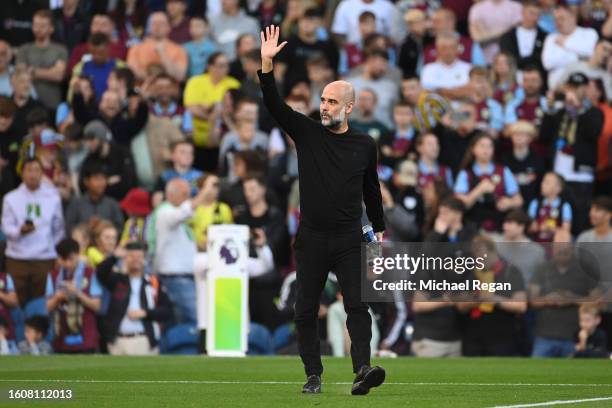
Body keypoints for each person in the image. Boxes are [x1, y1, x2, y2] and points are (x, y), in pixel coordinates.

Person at [258, 25, 386, 395]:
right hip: (311, 237)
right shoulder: (307, 132)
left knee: (357, 308)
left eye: (332, 102)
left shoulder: (364, 144)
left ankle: (362, 369)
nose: (324, 106)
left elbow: (371, 189)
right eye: (323, 100)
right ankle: (313, 375)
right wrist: (266, 65)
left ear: (349, 107)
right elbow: (275, 105)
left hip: (348, 238)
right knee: (304, 311)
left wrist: (378, 227)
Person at [1, 158, 65, 307]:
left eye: (37, 170)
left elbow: (59, 228)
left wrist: (53, 249)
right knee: (16, 304)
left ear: (42, 173)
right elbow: (6, 226)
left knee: (43, 303)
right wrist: (19, 231)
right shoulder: (11, 198)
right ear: (22, 173)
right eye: (29, 170)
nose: (33, 174)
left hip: (44, 258)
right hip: (17, 258)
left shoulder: (53, 197)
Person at [149, 178, 209, 324]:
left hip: (184, 278)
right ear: (171, 195)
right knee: (197, 320)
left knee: (184, 322)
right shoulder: (165, 212)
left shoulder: (177, 220)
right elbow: (183, 213)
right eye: (184, 194)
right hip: (176, 279)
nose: (188, 198)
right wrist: (204, 193)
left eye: (189, 194)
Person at [97, 241, 173, 355]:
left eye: (139, 256)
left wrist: (145, 313)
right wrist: (114, 257)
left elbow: (167, 311)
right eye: (131, 256)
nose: (135, 260)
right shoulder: (118, 281)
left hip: (143, 339)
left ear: (144, 259)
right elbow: (100, 273)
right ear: (125, 258)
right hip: (117, 340)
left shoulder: (153, 282)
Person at [458, 236, 527, 356]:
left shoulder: (511, 272)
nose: (478, 260)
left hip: (502, 338)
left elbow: (521, 306)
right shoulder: (471, 273)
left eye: (481, 256)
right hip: (473, 337)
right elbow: (460, 306)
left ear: (492, 252)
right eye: (476, 257)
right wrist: (476, 301)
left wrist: (495, 300)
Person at [183, 52, 241, 172]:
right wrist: (213, 115)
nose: (224, 69)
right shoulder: (195, 81)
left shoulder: (233, 83)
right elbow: (191, 108)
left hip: (224, 137)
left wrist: (206, 108)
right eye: (220, 65)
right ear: (209, 66)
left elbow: (234, 109)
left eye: (226, 65)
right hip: (198, 138)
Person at [454, 133, 523, 232]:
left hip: (500, 227)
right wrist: (479, 190)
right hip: (472, 228)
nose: (486, 150)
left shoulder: (503, 171)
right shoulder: (465, 173)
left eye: (489, 146)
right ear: (473, 149)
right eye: (482, 146)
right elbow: (460, 205)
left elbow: (519, 200)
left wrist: (509, 203)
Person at [46, 238, 102, 353]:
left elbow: (97, 306)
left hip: (86, 337)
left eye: (71, 259)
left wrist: (77, 293)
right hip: (61, 338)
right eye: (63, 259)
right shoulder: (53, 276)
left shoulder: (90, 273)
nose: (67, 264)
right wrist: (57, 297)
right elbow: (46, 308)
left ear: (78, 254)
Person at [15, 9, 68, 110]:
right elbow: (21, 73)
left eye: (42, 26)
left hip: (51, 105)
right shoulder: (24, 49)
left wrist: (33, 70)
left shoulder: (60, 50)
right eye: (36, 25)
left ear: (51, 28)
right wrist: (49, 72)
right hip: (25, 105)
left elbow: (58, 75)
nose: (38, 29)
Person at [541, 4, 599, 89]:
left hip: (583, 87)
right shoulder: (551, 38)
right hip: (558, 89)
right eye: (555, 19)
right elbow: (547, 63)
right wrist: (578, 57)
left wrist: (565, 44)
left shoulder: (589, 33)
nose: (558, 22)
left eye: (561, 18)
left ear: (573, 18)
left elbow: (591, 53)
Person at [126, 11, 188, 82]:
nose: (157, 26)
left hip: (170, 91)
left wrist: (162, 53)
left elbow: (179, 76)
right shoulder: (136, 48)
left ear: (169, 27)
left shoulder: (179, 50)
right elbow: (131, 73)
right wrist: (156, 76)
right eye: (154, 23)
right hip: (141, 91)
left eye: (161, 23)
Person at [66, 163, 124, 233]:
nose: (101, 183)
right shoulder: (76, 204)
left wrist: (104, 228)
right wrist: (87, 227)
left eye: (103, 178)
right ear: (86, 181)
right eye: (97, 178)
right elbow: (68, 228)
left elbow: (120, 229)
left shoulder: (112, 204)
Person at [500, 121, 544, 208]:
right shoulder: (504, 159)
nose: (519, 137)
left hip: (532, 205)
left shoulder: (538, 160)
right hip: (509, 206)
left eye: (523, 134)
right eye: (515, 134)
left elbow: (540, 185)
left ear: (530, 138)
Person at [499, 0, 547, 72]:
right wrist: (532, 58)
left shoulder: (545, 37)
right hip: (513, 77)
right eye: (531, 13)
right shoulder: (507, 37)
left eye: (538, 15)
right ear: (523, 12)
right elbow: (509, 59)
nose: (534, 18)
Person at [152, 140, 203, 207]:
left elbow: (206, 199)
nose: (188, 155)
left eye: (191, 153)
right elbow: (157, 203)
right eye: (183, 152)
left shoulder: (200, 176)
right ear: (172, 155)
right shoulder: (165, 177)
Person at [190, 174, 233, 251]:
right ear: (200, 188)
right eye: (213, 185)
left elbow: (229, 234)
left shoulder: (224, 208)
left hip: (218, 252)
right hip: (194, 252)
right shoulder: (192, 208)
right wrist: (197, 244)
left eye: (217, 186)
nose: (216, 189)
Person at [528, 172, 572, 243]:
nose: (542, 184)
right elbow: (529, 227)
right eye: (543, 181)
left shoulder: (565, 206)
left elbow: (566, 230)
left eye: (547, 182)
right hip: (536, 243)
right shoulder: (535, 203)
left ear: (558, 188)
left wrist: (551, 228)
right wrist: (539, 227)